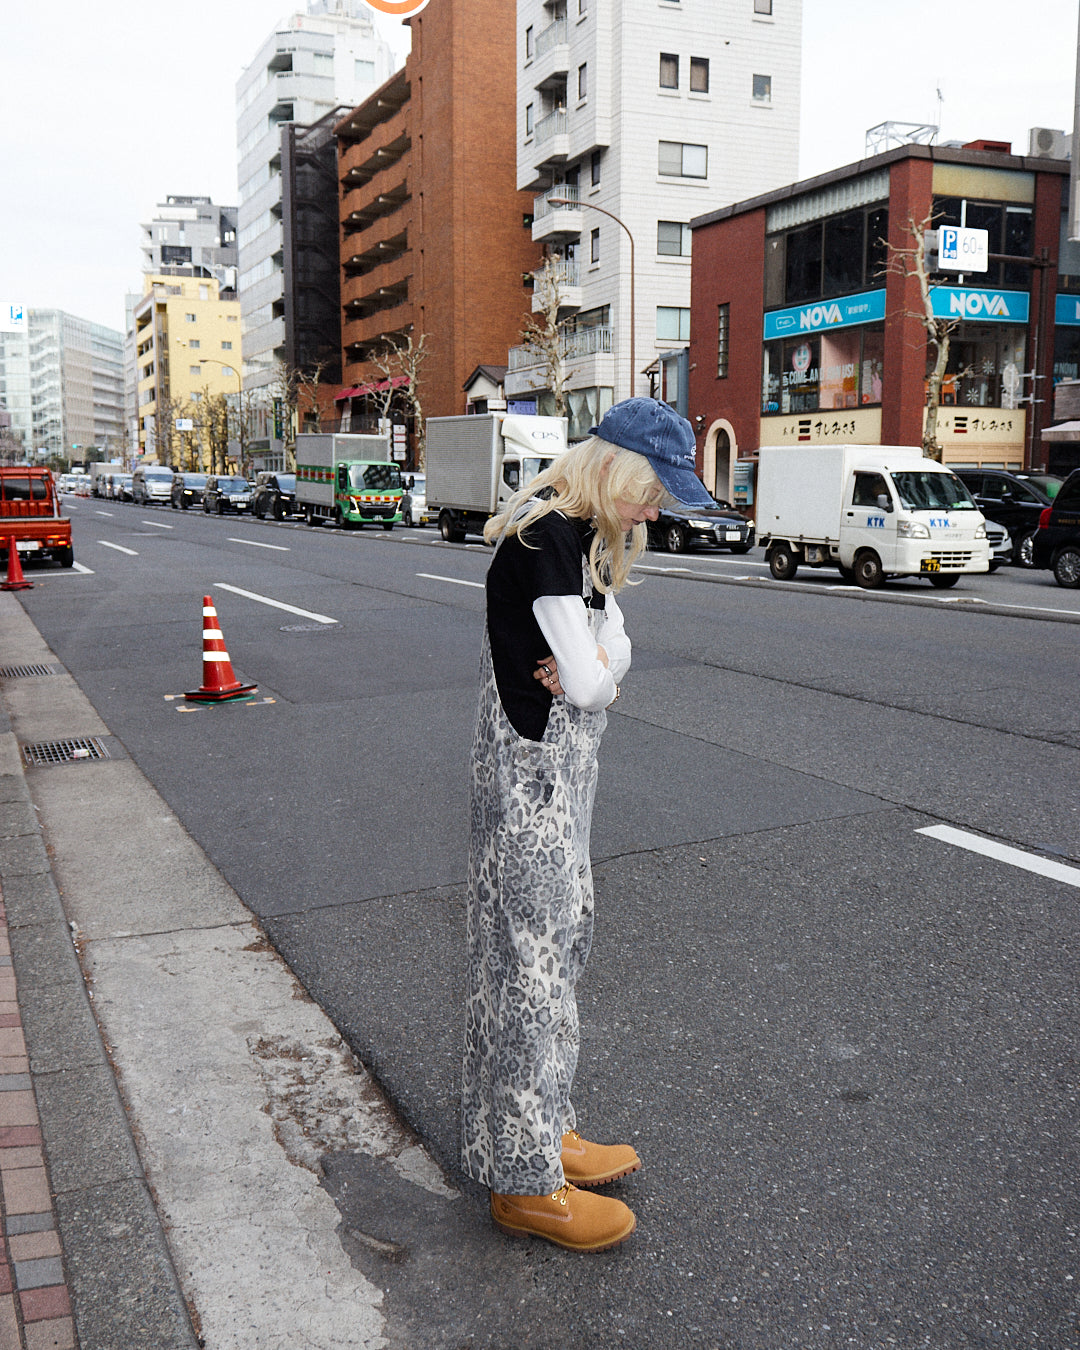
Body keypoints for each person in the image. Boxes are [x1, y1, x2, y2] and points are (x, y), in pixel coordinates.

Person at [460, 397, 715, 1253]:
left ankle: (546, 1130)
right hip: (534, 778)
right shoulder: (547, 539)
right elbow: (595, 678)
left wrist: (600, 662)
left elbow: (614, 653)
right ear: (617, 471)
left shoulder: (577, 537)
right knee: (530, 965)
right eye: (652, 493)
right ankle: (526, 1181)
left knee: (557, 946)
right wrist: (599, 664)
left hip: (557, 777)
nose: (654, 512)